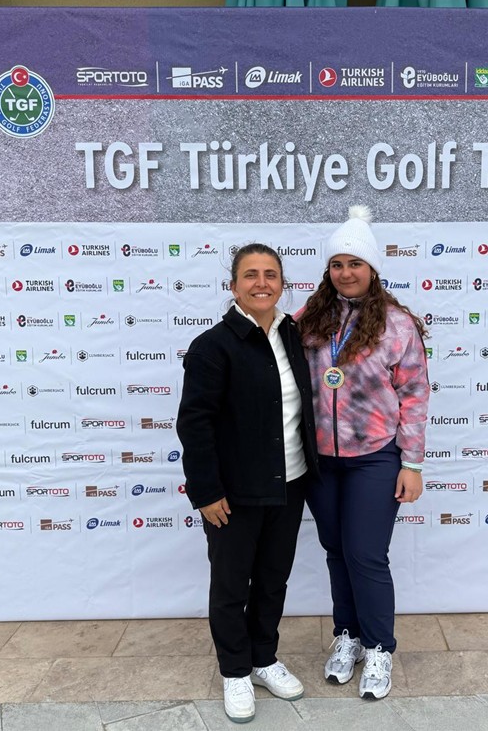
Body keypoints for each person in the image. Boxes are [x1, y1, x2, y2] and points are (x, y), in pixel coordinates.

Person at [177, 243, 320, 724]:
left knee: (273, 580)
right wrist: (206, 491)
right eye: (251, 274)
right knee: (231, 585)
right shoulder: (212, 346)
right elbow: (194, 424)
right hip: (233, 494)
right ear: (234, 286)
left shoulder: (293, 334)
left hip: (290, 483)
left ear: (282, 283)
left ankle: (263, 658)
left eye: (271, 274)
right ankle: (235, 670)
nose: (262, 283)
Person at [296, 206, 430, 700]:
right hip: (320, 460)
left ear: (372, 268)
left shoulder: (397, 325)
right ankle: (347, 636)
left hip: (375, 457)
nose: (345, 272)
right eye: (337, 264)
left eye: (355, 263)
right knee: (336, 551)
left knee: (366, 554)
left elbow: (415, 394)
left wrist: (411, 463)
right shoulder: (310, 319)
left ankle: (378, 647)